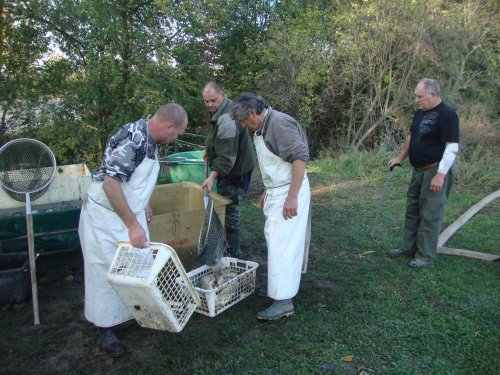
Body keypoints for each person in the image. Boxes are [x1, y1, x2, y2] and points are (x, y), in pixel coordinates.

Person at [78, 103, 188, 357]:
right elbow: (110, 184)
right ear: (169, 126)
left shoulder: (152, 138)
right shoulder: (133, 138)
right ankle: (105, 326)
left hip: (129, 211)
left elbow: (133, 177)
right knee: (106, 272)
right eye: (177, 134)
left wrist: (144, 202)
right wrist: (132, 224)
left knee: (135, 267)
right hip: (105, 217)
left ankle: (129, 314)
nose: (176, 138)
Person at [230, 92, 311, 321]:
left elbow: (299, 159)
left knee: (283, 244)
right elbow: (277, 162)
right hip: (278, 189)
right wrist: (269, 188)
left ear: (254, 112)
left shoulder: (279, 124)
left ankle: (284, 301)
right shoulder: (261, 126)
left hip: (289, 191)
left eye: (245, 120)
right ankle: (278, 287)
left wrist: (292, 196)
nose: (244, 125)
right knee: (275, 241)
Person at [388, 78, 459, 268]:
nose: (416, 100)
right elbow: (411, 136)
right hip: (418, 170)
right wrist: (400, 157)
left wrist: (440, 175)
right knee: (412, 210)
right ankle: (408, 248)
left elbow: (452, 147)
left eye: (420, 96)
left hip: (435, 170)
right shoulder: (420, 112)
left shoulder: (447, 114)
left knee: (430, 214)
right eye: (416, 96)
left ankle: (425, 255)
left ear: (433, 94)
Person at [201, 82, 256, 258]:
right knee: (227, 205)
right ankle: (229, 246)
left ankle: (234, 254)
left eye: (213, 100)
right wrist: (209, 148)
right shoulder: (222, 108)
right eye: (206, 101)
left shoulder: (227, 118)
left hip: (235, 170)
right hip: (232, 164)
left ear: (223, 95)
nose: (209, 104)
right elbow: (217, 137)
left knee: (230, 208)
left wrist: (212, 177)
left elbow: (227, 158)